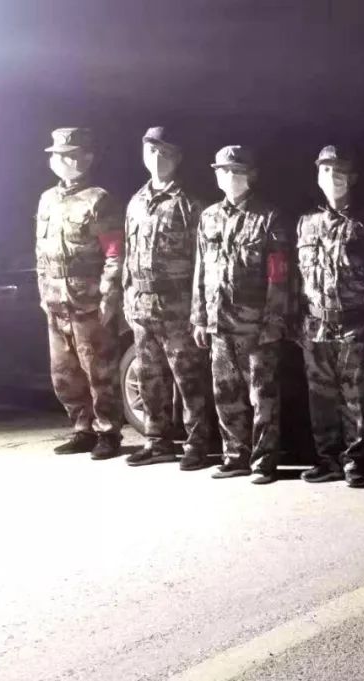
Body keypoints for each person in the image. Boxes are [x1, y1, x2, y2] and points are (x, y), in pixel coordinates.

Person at [191, 145, 290, 485]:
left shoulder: (269, 217)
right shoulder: (208, 217)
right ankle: (235, 456)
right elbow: (201, 270)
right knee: (225, 394)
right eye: (224, 171)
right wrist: (199, 317)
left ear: (251, 175)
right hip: (219, 323)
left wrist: (273, 320)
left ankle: (264, 461)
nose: (230, 177)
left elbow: (278, 275)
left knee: (262, 396)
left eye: (237, 171)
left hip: (256, 325)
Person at [294, 145, 364, 488]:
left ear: (353, 177)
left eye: (339, 170)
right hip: (315, 325)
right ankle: (328, 460)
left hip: (354, 324)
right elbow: (296, 278)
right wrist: (297, 320)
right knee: (320, 398)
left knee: (358, 399)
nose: (331, 176)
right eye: (325, 170)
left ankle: (356, 462)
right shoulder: (306, 223)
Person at [122, 127, 212, 470]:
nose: (157, 158)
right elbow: (129, 254)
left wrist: (199, 311)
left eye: (165, 152)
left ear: (178, 158)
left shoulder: (190, 204)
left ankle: (197, 443)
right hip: (142, 306)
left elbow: (203, 264)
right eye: (152, 151)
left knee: (189, 380)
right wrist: (127, 296)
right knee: (149, 378)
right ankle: (157, 441)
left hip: (178, 308)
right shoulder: (136, 202)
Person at [37, 127, 125, 460]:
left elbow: (114, 252)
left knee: (99, 370)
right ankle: (82, 428)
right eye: (59, 156)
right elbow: (41, 251)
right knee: (64, 373)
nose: (64, 161)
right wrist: (43, 292)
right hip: (56, 300)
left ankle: (108, 432)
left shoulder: (99, 200)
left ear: (87, 158)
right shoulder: (47, 199)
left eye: (71, 155)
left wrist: (109, 295)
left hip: (88, 300)